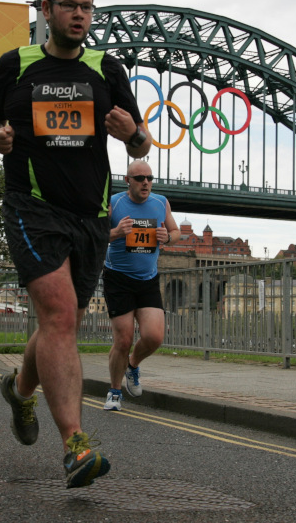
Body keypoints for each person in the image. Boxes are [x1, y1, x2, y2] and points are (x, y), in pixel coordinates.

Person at [0, 0, 149, 488]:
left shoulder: (106, 68)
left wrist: (133, 134)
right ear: (45, 11)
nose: (80, 15)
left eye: (88, 8)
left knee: (63, 321)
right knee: (58, 315)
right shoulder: (17, 64)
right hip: (33, 207)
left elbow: (141, 144)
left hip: (91, 214)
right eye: (69, 6)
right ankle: (76, 445)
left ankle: (19, 390)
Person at [102, 160, 180, 411]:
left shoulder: (160, 202)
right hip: (118, 278)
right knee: (123, 340)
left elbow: (176, 231)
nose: (145, 182)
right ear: (127, 180)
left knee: (154, 337)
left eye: (149, 177)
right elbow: (94, 233)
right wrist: (115, 232)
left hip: (148, 279)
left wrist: (167, 237)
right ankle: (114, 392)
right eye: (139, 178)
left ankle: (132, 365)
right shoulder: (113, 203)